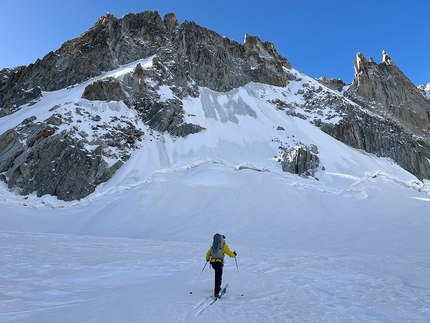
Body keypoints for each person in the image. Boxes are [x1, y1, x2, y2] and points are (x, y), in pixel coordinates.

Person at [206, 233, 237, 298]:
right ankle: (216, 291)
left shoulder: (214, 245)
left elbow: (208, 253)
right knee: (218, 276)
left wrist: (207, 259)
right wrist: (234, 255)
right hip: (219, 263)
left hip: (213, 263)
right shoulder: (223, 246)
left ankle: (217, 288)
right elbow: (230, 254)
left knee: (217, 275)